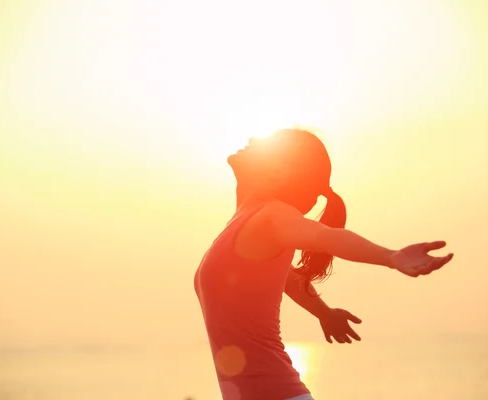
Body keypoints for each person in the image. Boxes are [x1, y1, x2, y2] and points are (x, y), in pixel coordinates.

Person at [194, 129, 454, 400]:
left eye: (267, 145)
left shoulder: (273, 215)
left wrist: (390, 257)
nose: (253, 141)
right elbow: (284, 278)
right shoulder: (245, 220)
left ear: (280, 170)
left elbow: (325, 236)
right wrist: (324, 313)